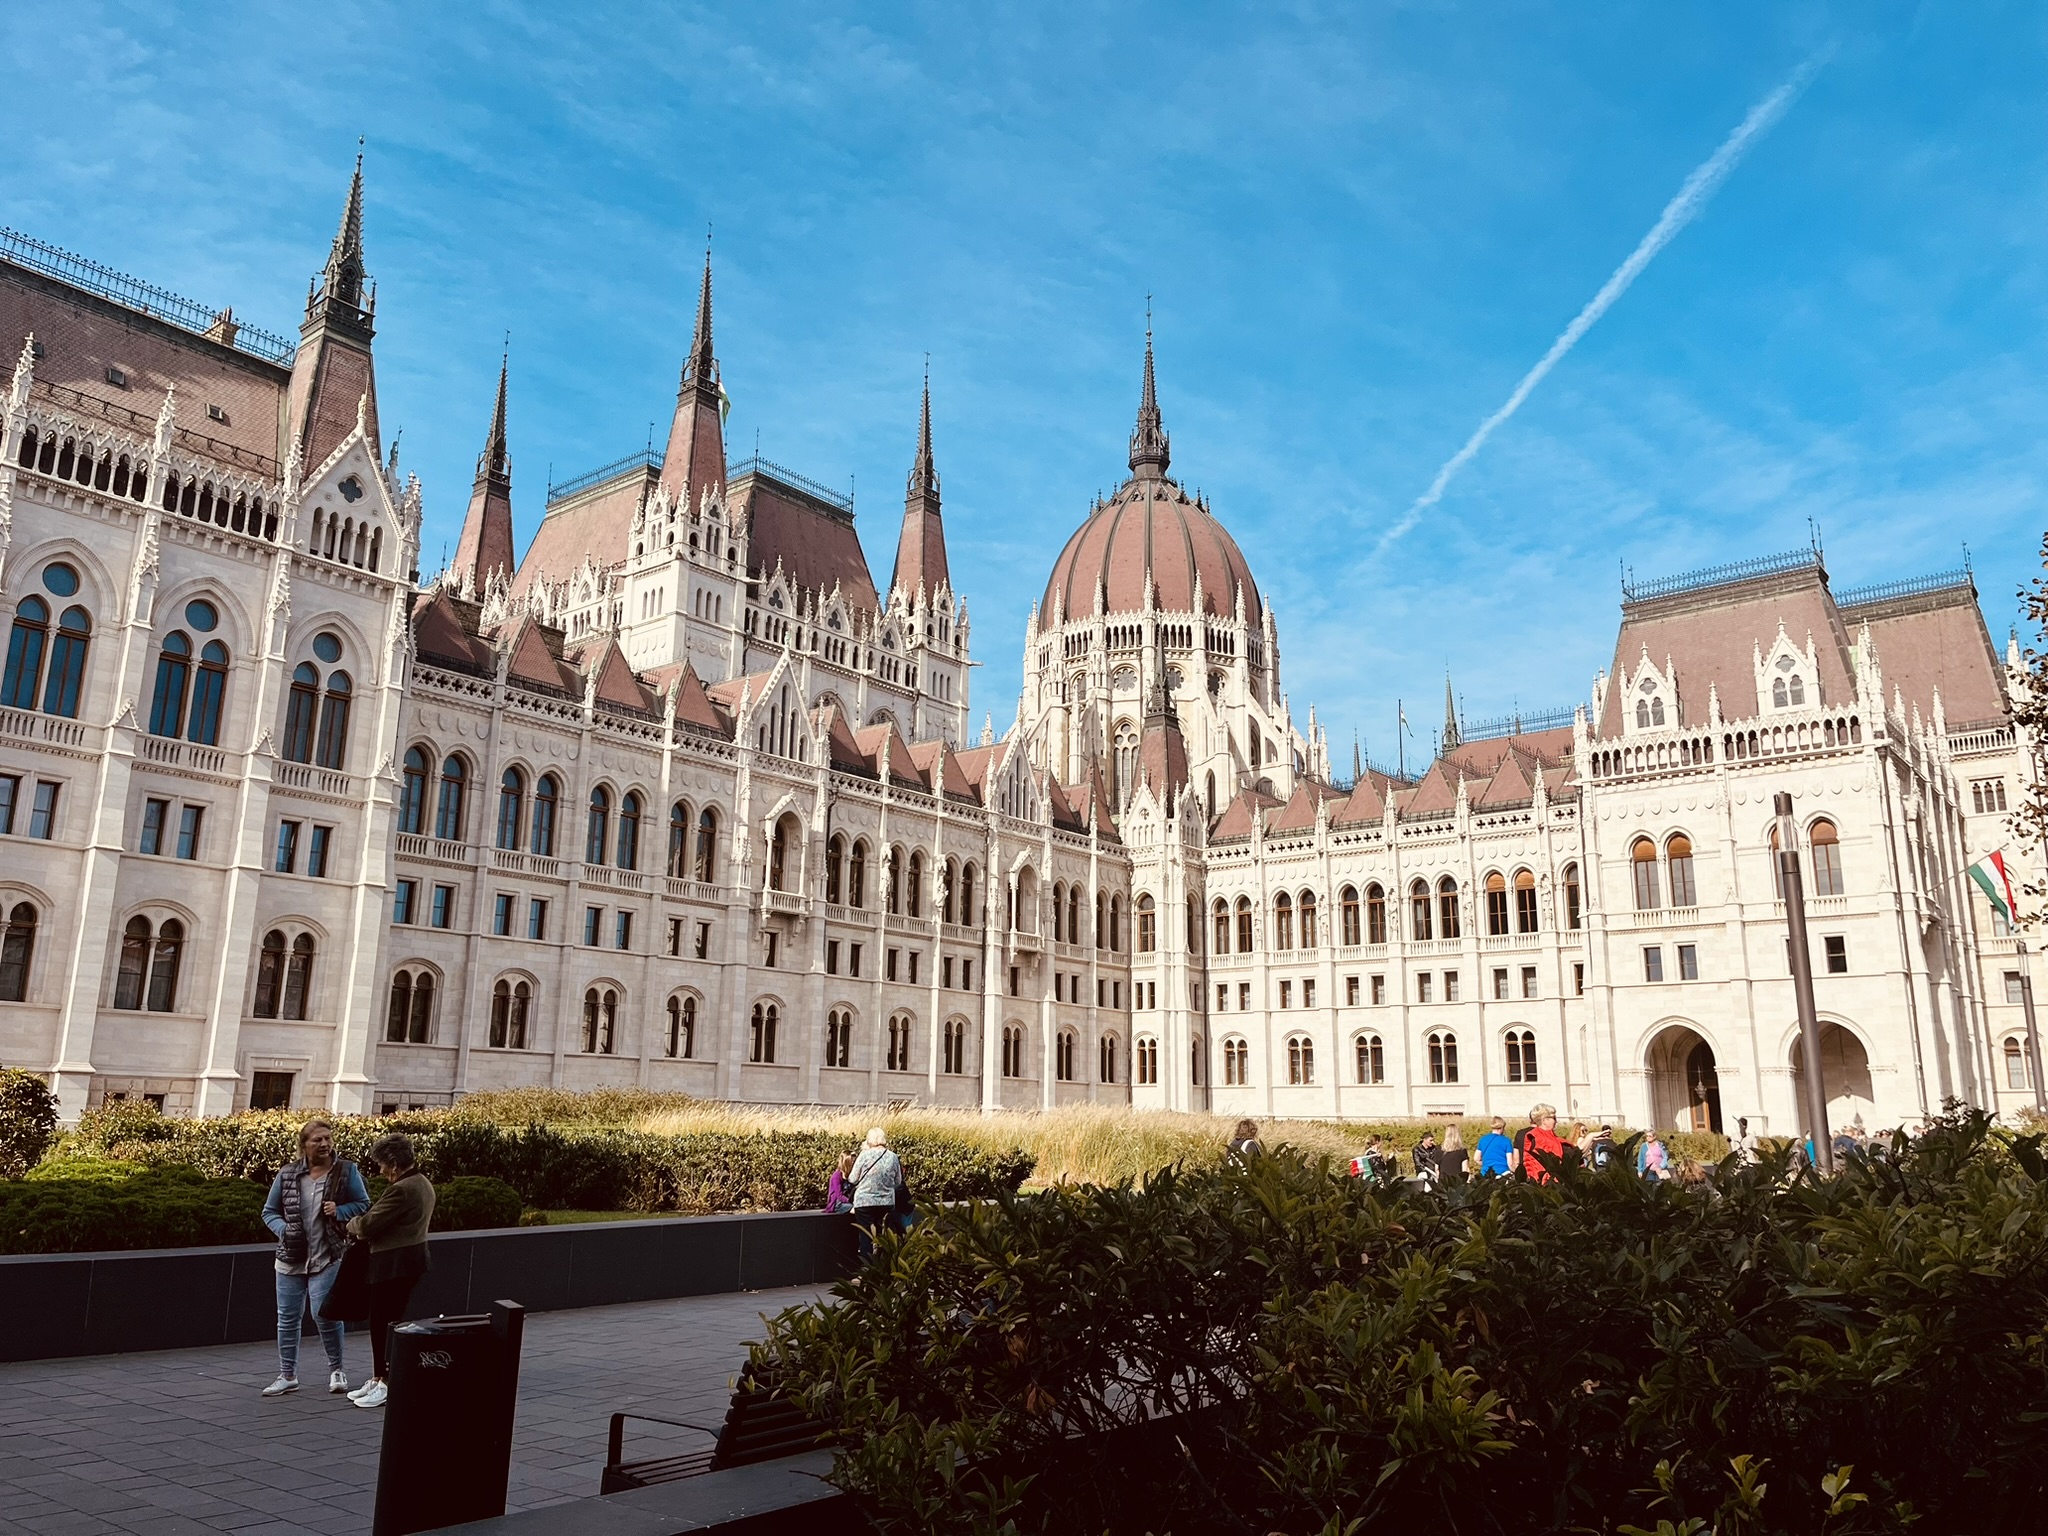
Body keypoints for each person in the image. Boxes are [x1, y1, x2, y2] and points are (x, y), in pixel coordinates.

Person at [259, 1119, 369, 1397]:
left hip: (328, 1255)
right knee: (287, 1318)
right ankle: (287, 1375)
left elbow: (364, 1204)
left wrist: (340, 1210)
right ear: (304, 1145)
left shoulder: (346, 1171)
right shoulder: (287, 1174)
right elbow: (269, 1212)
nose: (324, 1144)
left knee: (324, 1314)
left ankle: (337, 1370)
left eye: (328, 1138)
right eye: (317, 1140)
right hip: (290, 1259)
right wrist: (284, 1230)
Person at [344, 1134, 436, 1409]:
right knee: (386, 1322)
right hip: (409, 1262)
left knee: (383, 1324)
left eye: (382, 1165)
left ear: (394, 1164)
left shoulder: (402, 1189)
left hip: (393, 1265)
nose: (381, 1171)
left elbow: (368, 1225)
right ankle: (379, 1377)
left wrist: (351, 1223)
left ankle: (385, 1381)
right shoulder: (422, 1183)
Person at [847, 1127, 902, 1259]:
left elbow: (853, 1179)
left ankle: (867, 1272)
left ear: (869, 1140)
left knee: (866, 1236)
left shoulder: (864, 1155)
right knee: (884, 1236)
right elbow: (898, 1181)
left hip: (865, 1203)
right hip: (886, 1202)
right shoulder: (893, 1157)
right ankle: (884, 1269)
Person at [1517, 1103, 1568, 1185]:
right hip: (1544, 1183)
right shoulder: (1540, 1137)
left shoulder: (1550, 1137)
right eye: (1553, 1118)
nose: (1556, 1121)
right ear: (1544, 1120)